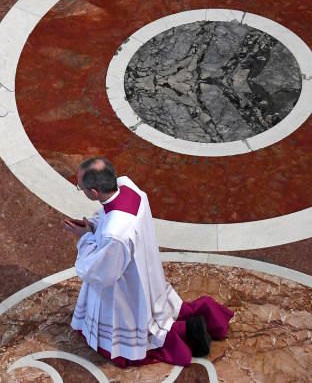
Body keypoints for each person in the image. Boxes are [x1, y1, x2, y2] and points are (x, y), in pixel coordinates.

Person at [63, 157, 234, 368]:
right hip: (144, 266)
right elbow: (109, 217)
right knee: (153, 307)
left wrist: (84, 238)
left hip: (125, 285)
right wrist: (94, 225)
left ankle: (183, 333)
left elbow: (99, 274)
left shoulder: (114, 235)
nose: (80, 189)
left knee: (130, 331)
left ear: (94, 192)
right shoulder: (128, 188)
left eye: (80, 187)